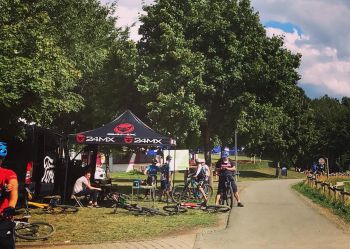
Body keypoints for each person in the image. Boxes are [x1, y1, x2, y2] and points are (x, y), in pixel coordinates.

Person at [0, 141, 18, 249]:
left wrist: (11, 206)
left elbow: (14, 189)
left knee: (5, 244)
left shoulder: (8, 173)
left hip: (3, 217)